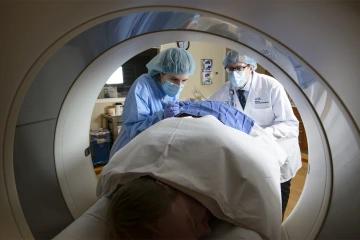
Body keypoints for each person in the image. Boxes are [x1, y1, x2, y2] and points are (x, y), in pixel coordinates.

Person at [209, 50, 302, 218]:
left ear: (251, 67)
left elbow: (290, 124)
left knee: (276, 205)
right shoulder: (225, 89)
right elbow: (209, 107)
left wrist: (260, 135)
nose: (233, 73)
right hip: (249, 154)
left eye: (238, 68)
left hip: (278, 154)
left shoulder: (271, 86)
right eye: (230, 69)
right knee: (254, 199)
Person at [109, 47, 195, 158]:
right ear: (162, 73)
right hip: (129, 149)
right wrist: (162, 116)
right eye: (174, 79)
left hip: (151, 146)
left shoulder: (172, 89)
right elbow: (134, 130)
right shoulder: (142, 86)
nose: (179, 86)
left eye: (184, 81)